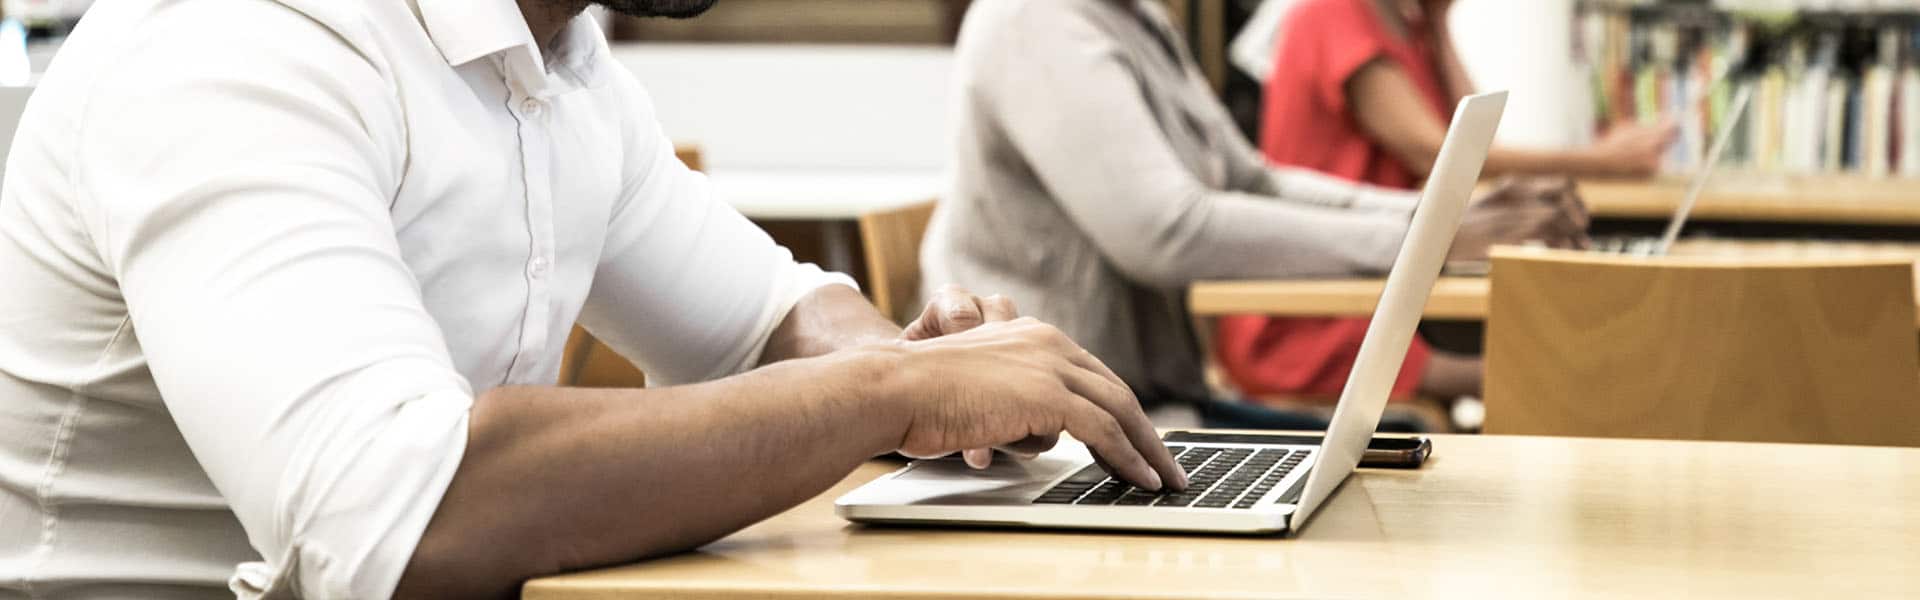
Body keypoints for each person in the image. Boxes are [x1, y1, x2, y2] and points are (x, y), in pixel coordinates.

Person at [0, 1, 1193, 598]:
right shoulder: (238, 45)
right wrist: (893, 388)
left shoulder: (559, 60)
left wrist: (932, 377)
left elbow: (765, 317)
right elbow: (400, 519)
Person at [921, 0, 1587, 421]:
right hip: (1067, 426)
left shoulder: (1137, 18)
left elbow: (1250, 178)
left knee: (1411, 457)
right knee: (1414, 459)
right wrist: (1426, 236)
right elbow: (1165, 230)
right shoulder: (1034, 21)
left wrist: (1427, 218)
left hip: (1141, 400)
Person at [1214, 0, 1678, 407]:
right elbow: (1437, 152)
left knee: (1560, 351)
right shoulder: (1332, 14)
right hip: (1313, 315)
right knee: (1546, 369)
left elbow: (1472, 130)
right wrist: (1605, 161)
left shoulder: (1407, 24)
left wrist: (1437, 24)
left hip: (1378, 289)